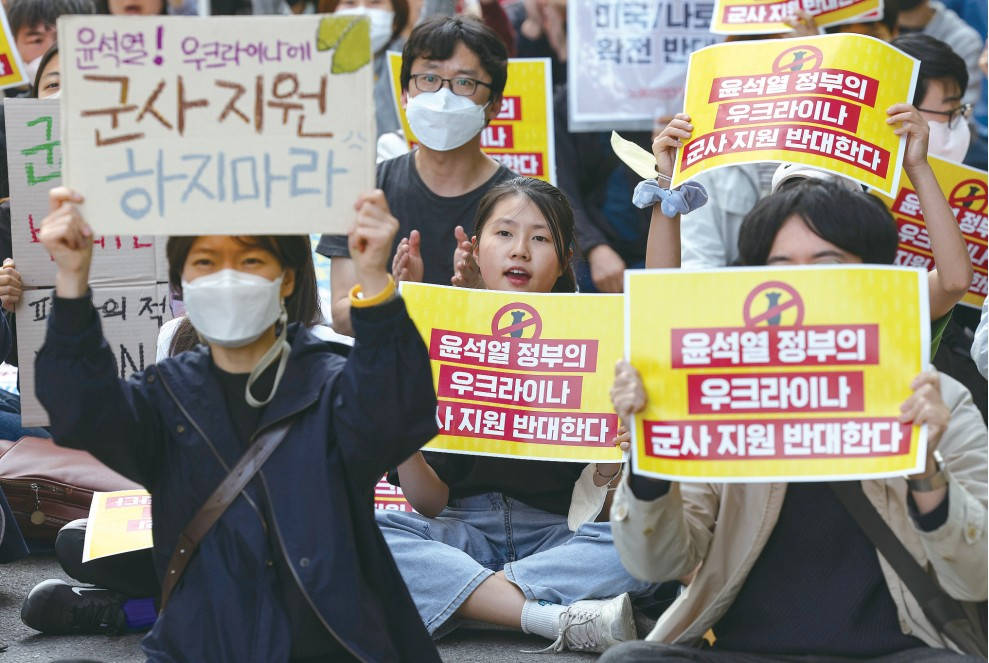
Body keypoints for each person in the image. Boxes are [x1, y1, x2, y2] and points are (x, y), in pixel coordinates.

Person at [28, 184, 441, 661]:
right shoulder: (166, 397)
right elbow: (79, 409)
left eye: (250, 261)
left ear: (286, 279)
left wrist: (375, 283)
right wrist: (72, 279)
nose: (227, 279)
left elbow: (401, 413)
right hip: (204, 642)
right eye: (205, 262)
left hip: (329, 641)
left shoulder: (334, 383)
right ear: (182, 281)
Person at [602, 178, 988, 661]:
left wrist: (927, 471)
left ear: (875, 279)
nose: (803, 286)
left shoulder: (937, 401)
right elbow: (657, 562)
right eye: (780, 269)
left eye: (827, 266)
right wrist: (650, 453)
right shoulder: (717, 400)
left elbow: (979, 576)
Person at [379, 176, 681, 654]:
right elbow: (429, 504)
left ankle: (475, 598)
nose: (520, 250)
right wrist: (403, 438)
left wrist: (613, 459)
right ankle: (548, 614)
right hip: (462, 532)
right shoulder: (439, 334)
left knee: (646, 547)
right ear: (476, 249)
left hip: (560, 537)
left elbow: (659, 311)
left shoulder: (595, 335)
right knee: (368, 534)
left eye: (540, 239)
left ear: (564, 260)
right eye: (504, 233)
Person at [317, 15, 517, 335]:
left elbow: (535, 320)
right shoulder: (364, 190)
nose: (443, 96)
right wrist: (393, 295)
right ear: (404, 94)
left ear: (494, 105)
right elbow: (341, 316)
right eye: (428, 79)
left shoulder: (522, 204)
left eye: (464, 83)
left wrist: (479, 292)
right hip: (388, 364)